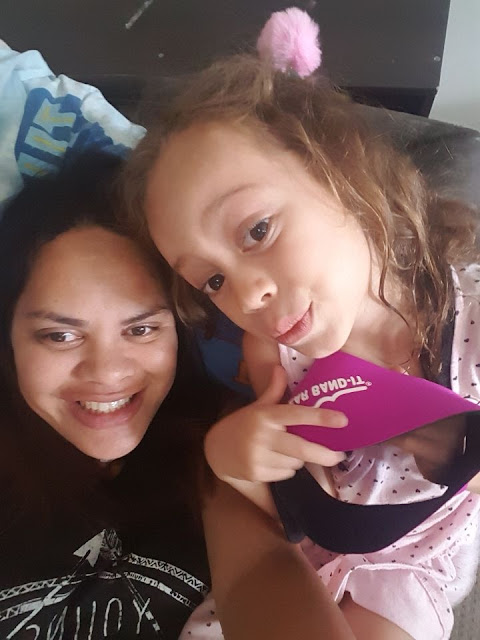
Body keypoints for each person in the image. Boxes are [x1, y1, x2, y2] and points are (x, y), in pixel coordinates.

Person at [122, 50, 480, 639]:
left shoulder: (469, 317)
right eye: (213, 280)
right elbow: (294, 510)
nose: (248, 294)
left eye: (257, 230)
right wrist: (234, 457)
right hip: (298, 566)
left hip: (408, 570)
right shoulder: (274, 358)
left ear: (342, 174)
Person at [0, 150, 358, 640]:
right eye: (60, 336)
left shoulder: (222, 444)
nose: (107, 372)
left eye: (141, 329)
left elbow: (263, 571)